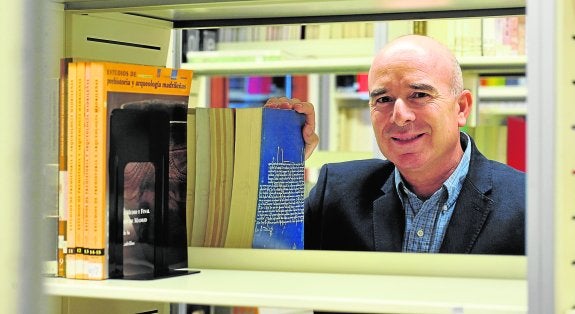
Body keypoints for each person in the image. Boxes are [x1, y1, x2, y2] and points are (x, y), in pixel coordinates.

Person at [265, 34, 525, 255]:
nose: (400, 116)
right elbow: (260, 258)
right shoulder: (336, 194)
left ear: (461, 107)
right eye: (384, 99)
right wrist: (278, 159)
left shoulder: (529, 203)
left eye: (420, 95)